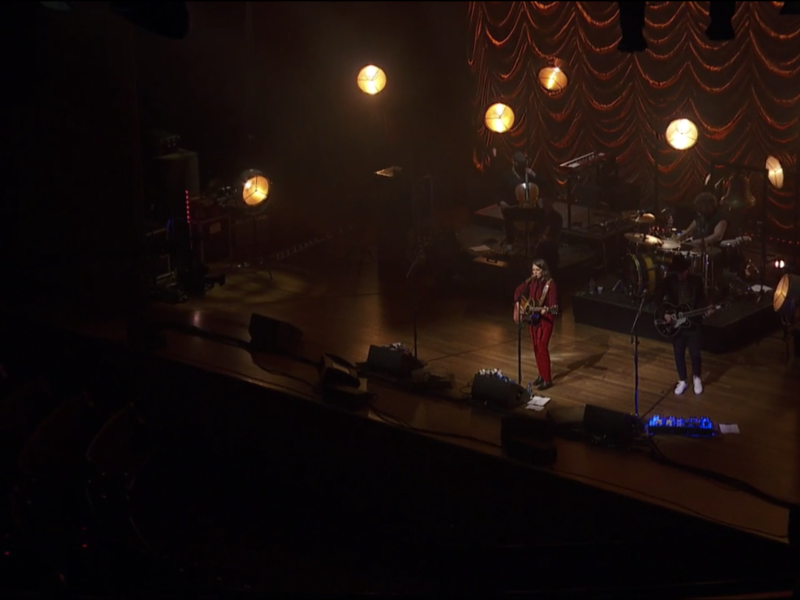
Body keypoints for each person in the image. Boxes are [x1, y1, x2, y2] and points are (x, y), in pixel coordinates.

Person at [654, 253, 715, 395]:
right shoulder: (669, 281)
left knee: (694, 352)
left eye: (684, 271)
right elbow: (657, 298)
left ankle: (697, 378)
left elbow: (701, 299)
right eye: (679, 272)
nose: (682, 274)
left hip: (692, 322)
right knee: (678, 353)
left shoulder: (696, 281)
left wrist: (707, 308)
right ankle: (682, 380)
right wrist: (664, 314)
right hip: (676, 324)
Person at [513, 259, 559, 391]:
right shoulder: (532, 281)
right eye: (533, 270)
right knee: (535, 347)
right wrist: (519, 304)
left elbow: (553, 306)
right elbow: (517, 292)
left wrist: (546, 309)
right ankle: (541, 374)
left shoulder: (551, 285)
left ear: (543, 271)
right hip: (533, 318)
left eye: (537, 271)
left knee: (542, 347)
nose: (534, 273)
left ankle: (548, 379)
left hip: (546, 320)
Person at [495, 151, 539, 251]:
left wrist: (534, 174)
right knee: (509, 215)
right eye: (520, 165)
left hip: (527, 205)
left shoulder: (527, 174)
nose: (522, 168)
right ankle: (510, 241)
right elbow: (497, 192)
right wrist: (501, 201)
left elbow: (542, 184)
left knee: (539, 213)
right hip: (512, 206)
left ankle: (536, 241)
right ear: (514, 163)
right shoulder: (506, 176)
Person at [533, 196, 563, 272]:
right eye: (543, 201)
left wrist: (547, 238)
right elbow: (535, 230)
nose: (544, 203)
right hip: (540, 249)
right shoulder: (539, 215)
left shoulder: (557, 217)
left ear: (552, 202)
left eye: (547, 201)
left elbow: (556, 237)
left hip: (550, 251)